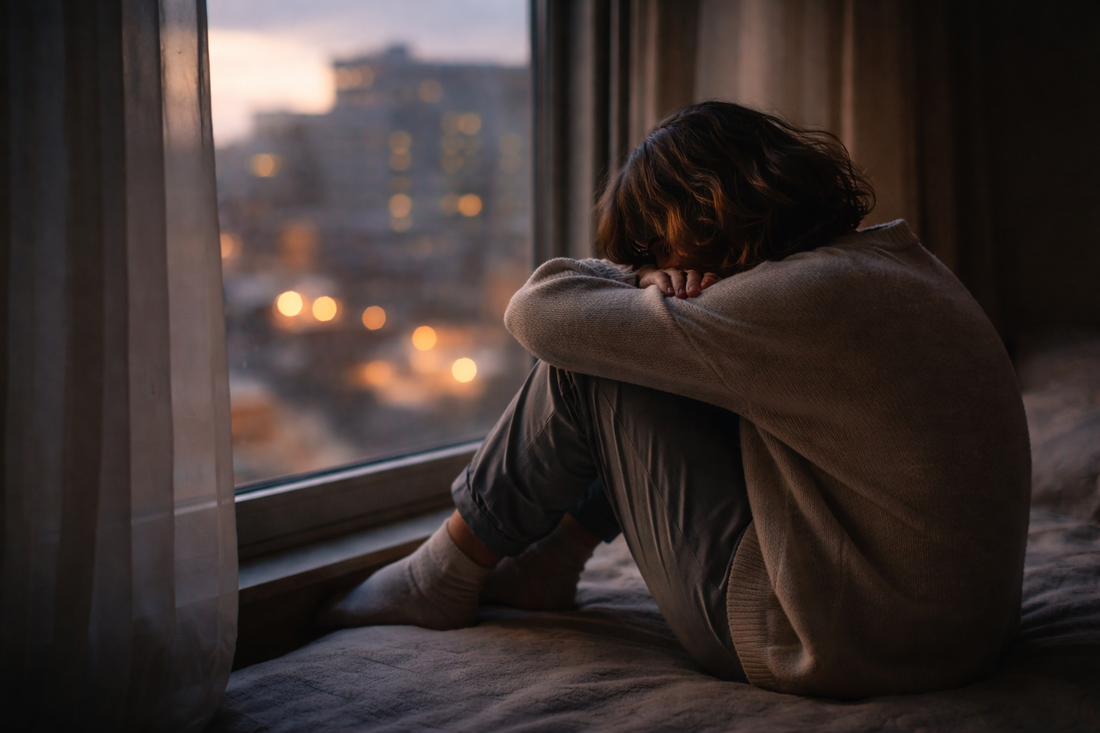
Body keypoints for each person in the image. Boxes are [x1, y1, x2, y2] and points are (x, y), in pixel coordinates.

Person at [320, 102, 1032, 699]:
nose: (669, 269)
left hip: (834, 641)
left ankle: (442, 572)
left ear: (705, 212)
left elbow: (537, 312)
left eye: (659, 247)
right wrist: (650, 293)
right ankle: (547, 564)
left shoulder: (795, 299)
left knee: (589, 364)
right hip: (949, 630)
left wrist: (629, 286)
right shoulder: (882, 265)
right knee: (656, 358)